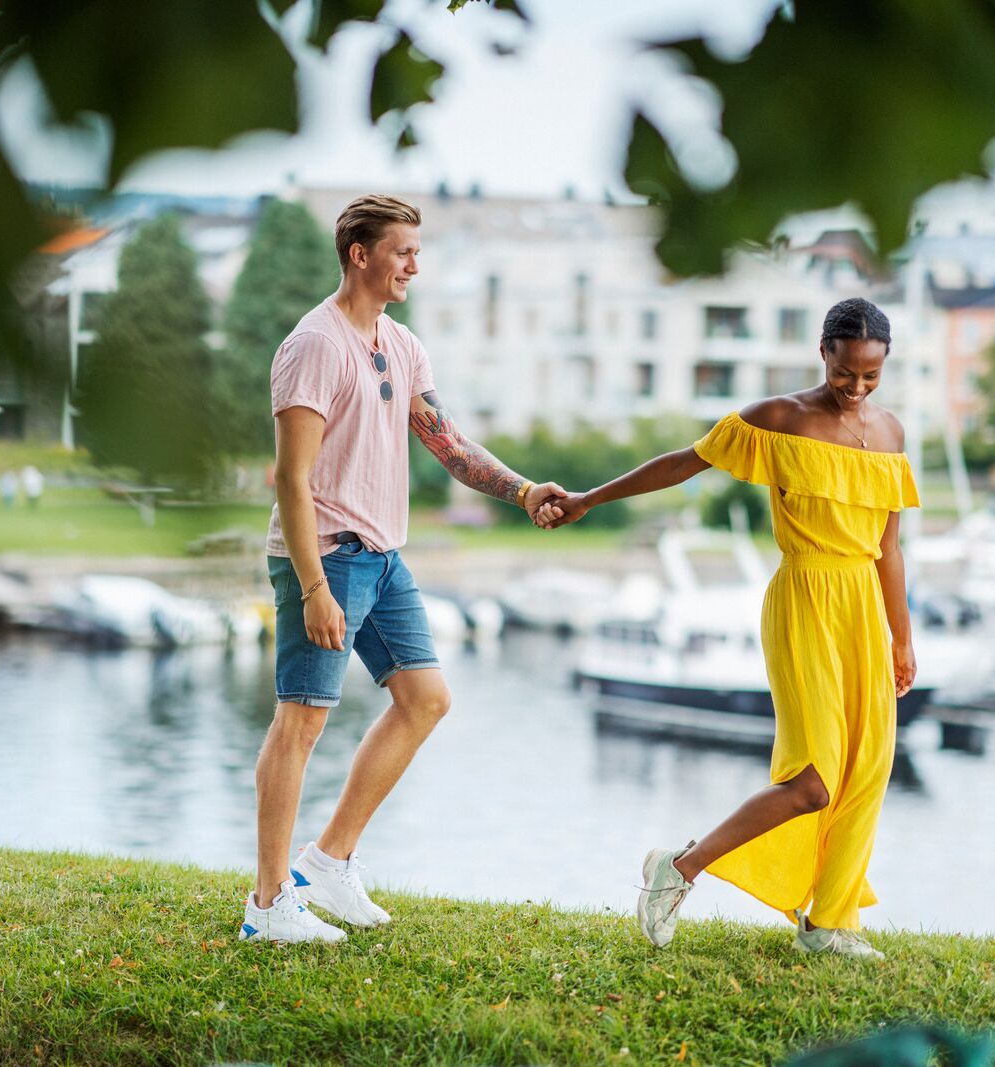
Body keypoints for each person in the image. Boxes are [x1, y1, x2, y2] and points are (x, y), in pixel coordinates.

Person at [544, 297, 919, 959]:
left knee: (869, 767)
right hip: (805, 595)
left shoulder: (890, 433)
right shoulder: (779, 419)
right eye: (845, 373)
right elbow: (685, 462)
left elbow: (889, 544)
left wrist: (903, 635)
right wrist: (587, 499)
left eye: (870, 376)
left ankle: (830, 922)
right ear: (824, 352)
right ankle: (678, 869)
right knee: (814, 777)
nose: (857, 388)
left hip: (863, 600)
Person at [242, 194, 565, 945]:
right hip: (323, 554)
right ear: (361, 254)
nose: (416, 264)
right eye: (404, 251)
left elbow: (447, 443)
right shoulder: (314, 345)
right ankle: (267, 905)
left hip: (383, 556)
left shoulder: (401, 343)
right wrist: (315, 587)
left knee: (425, 699)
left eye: (418, 251)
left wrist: (522, 490)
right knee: (300, 722)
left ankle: (328, 861)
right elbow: (291, 479)